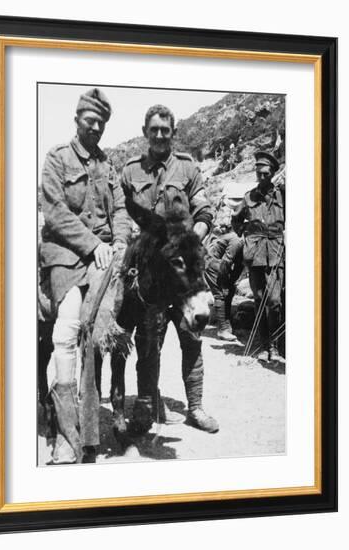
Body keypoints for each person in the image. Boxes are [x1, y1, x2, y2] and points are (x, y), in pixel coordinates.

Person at [39, 88, 131, 464]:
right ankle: (65, 435)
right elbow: (55, 212)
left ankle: (89, 432)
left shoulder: (108, 165)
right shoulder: (57, 158)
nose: (95, 127)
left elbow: (120, 209)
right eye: (89, 120)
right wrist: (94, 245)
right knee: (66, 331)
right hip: (65, 254)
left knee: (99, 332)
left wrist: (121, 241)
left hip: (104, 256)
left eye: (101, 123)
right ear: (77, 119)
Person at [121, 104, 219, 434]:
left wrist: (190, 240)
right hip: (150, 276)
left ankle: (196, 407)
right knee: (149, 342)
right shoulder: (130, 171)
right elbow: (124, 217)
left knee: (192, 339)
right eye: (154, 129)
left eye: (166, 129)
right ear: (145, 132)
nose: (160, 135)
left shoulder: (188, 168)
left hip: (184, 272)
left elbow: (204, 211)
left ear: (173, 132)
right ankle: (146, 406)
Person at [232, 150, 285, 361]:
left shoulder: (284, 195)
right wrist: (246, 235)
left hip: (276, 250)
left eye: (265, 173)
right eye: (258, 173)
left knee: (275, 301)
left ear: (272, 173)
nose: (261, 177)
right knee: (259, 298)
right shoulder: (248, 197)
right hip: (255, 254)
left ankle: (277, 345)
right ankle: (265, 347)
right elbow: (236, 221)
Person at [204, 194, 244, 341]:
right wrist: (226, 280)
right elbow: (227, 262)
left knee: (228, 291)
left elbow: (238, 264)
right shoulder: (236, 239)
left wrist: (232, 281)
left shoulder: (238, 239)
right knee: (221, 294)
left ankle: (226, 326)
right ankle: (222, 329)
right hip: (213, 264)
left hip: (217, 264)